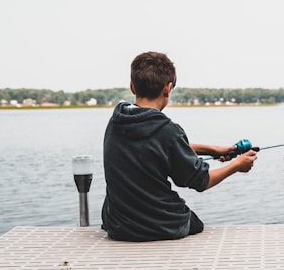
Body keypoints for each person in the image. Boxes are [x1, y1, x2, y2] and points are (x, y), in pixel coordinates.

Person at [101, 51, 257, 241]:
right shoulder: (167, 130)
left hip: (119, 226)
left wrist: (213, 150)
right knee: (195, 223)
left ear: (132, 87)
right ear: (167, 89)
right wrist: (237, 165)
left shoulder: (117, 122)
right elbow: (201, 181)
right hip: (160, 225)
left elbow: (160, 146)